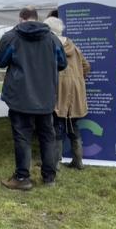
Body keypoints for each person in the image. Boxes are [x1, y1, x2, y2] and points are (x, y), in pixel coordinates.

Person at [0, 6, 67, 190]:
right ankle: (49, 177)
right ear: (37, 18)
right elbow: (62, 63)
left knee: (22, 137)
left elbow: (0, 60)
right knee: (47, 136)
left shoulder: (11, 37)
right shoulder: (52, 39)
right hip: (45, 96)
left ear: (21, 19)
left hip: (20, 96)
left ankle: (22, 178)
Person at [44, 16, 90, 170]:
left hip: (59, 89)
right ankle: (78, 161)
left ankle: (55, 163)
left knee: (56, 125)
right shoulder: (73, 46)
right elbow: (86, 66)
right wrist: (77, 79)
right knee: (73, 125)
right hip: (76, 90)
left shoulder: (50, 44)